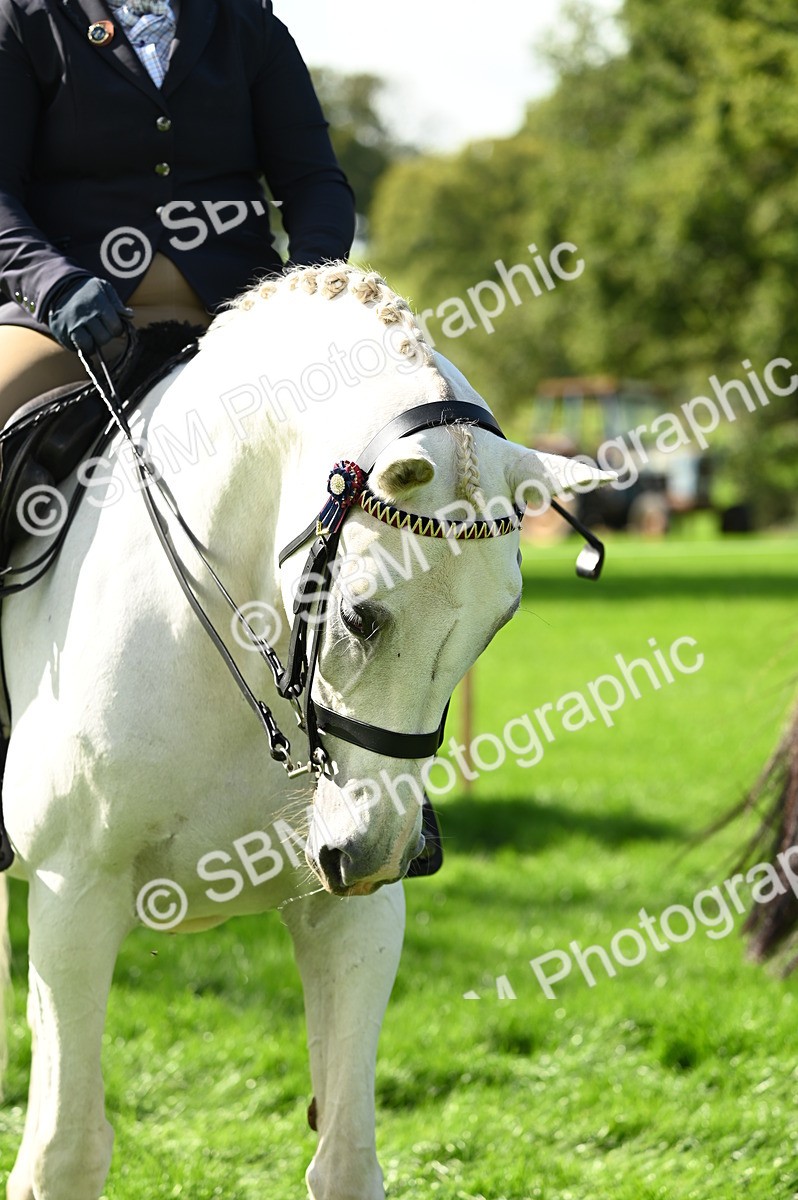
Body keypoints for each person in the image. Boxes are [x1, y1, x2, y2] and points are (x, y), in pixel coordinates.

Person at [0, 0, 356, 426]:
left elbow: (314, 183)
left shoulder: (249, 22)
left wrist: (303, 290)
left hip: (242, 319)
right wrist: (54, 285)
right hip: (73, 324)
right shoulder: (25, 18)